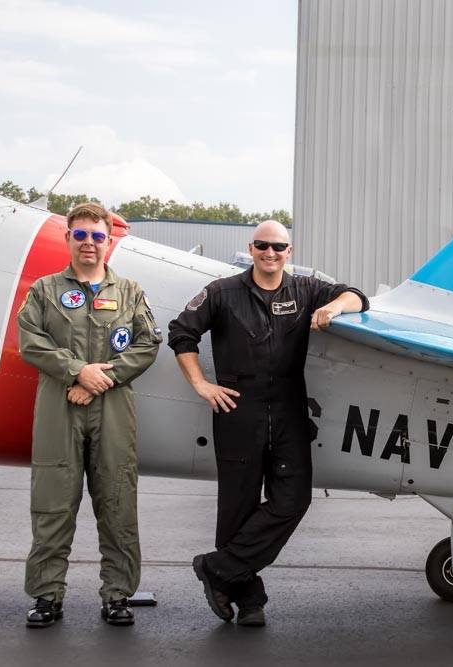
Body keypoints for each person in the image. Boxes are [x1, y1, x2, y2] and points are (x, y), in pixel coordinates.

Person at [168, 220, 368, 626]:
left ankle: (219, 569)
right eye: (262, 245)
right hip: (238, 410)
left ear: (289, 251)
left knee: (294, 500)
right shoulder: (222, 292)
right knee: (237, 508)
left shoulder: (307, 290)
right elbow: (180, 333)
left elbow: (358, 297)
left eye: (278, 246)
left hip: (290, 410)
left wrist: (333, 307)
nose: (270, 252)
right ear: (252, 248)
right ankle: (249, 601)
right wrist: (201, 384)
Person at [18, 202, 162, 627]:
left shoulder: (131, 292)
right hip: (58, 405)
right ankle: (47, 596)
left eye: (97, 236)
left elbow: (147, 343)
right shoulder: (44, 291)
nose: (89, 243)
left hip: (113, 406)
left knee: (117, 500)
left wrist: (103, 377)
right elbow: (31, 341)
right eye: (80, 235)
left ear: (108, 240)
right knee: (52, 502)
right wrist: (78, 371)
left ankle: (117, 594)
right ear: (68, 239)